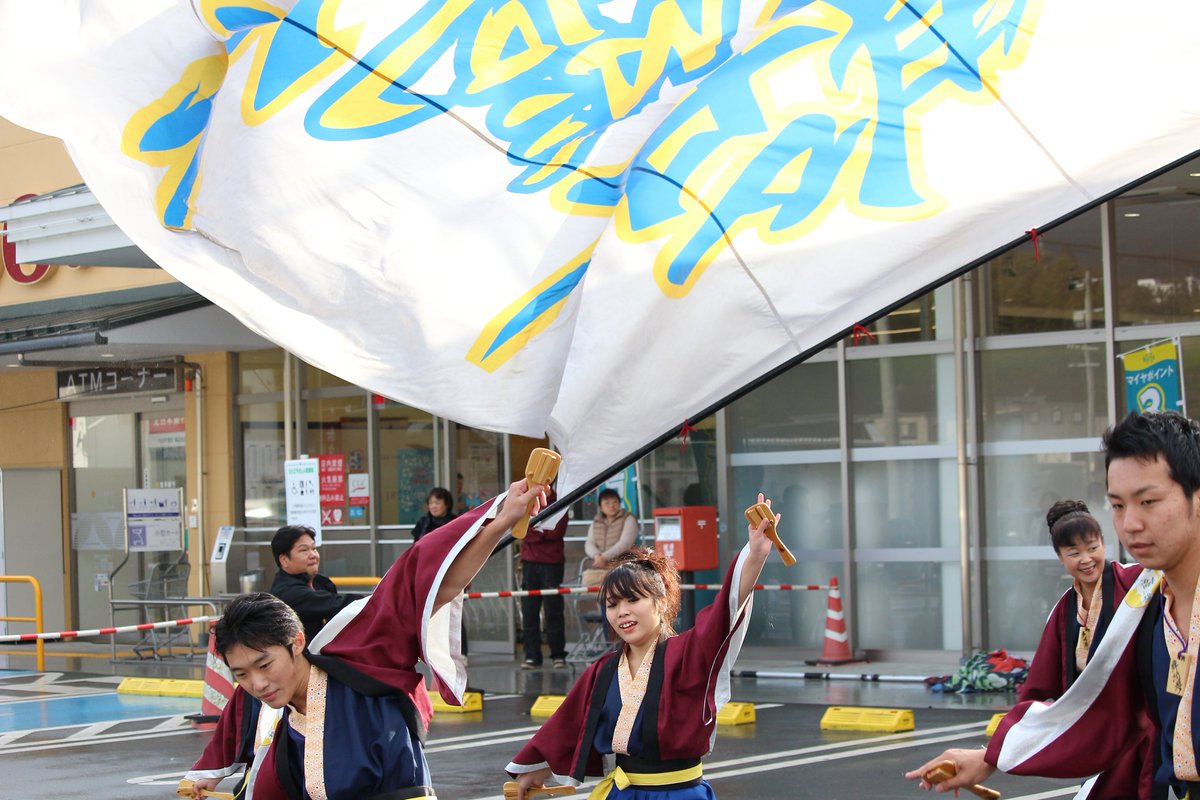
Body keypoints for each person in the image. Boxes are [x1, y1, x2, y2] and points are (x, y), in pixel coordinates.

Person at [182, 478, 548, 800]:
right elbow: (236, 717)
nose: (256, 683)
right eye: (241, 674)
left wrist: (500, 519)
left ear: (296, 641)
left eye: (263, 665)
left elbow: (428, 580)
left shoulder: (359, 655)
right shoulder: (266, 699)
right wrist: (208, 771)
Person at [906, 410, 1200, 799]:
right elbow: (1096, 713)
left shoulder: (1132, 597)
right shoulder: (1142, 603)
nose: (1130, 524)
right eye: (1116, 505)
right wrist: (990, 756)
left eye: (1148, 501)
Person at [506, 493, 777, 799]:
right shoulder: (603, 671)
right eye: (612, 604)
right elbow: (570, 726)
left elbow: (724, 614)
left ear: (661, 603)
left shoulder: (687, 654)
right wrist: (537, 769)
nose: (621, 612)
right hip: (623, 793)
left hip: (680, 794)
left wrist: (754, 555)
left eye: (633, 600)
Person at [1016, 499, 1149, 797]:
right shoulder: (1065, 609)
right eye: (1074, 553)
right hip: (1096, 728)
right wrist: (1018, 734)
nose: (1086, 559)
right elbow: (1041, 681)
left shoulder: (1138, 582)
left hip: (1140, 721)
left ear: (1104, 543)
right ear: (1061, 558)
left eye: (1092, 547)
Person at [268, 525, 364, 642]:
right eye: (304, 550)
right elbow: (339, 604)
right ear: (284, 560)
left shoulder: (321, 582)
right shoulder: (288, 592)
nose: (313, 555)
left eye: (314, 548)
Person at [520, 486, 570, 669]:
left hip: (552, 562)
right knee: (529, 610)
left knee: (553, 609)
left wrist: (536, 529)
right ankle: (532, 656)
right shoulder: (528, 500)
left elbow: (556, 532)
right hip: (529, 562)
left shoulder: (560, 501)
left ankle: (558, 654)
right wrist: (541, 530)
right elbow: (522, 529)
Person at [583, 488, 638, 588]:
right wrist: (596, 556)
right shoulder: (596, 522)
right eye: (607, 503)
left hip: (623, 566)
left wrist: (604, 557)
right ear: (600, 507)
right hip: (599, 567)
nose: (611, 505)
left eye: (615, 502)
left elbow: (625, 544)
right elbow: (589, 543)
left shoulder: (629, 519)